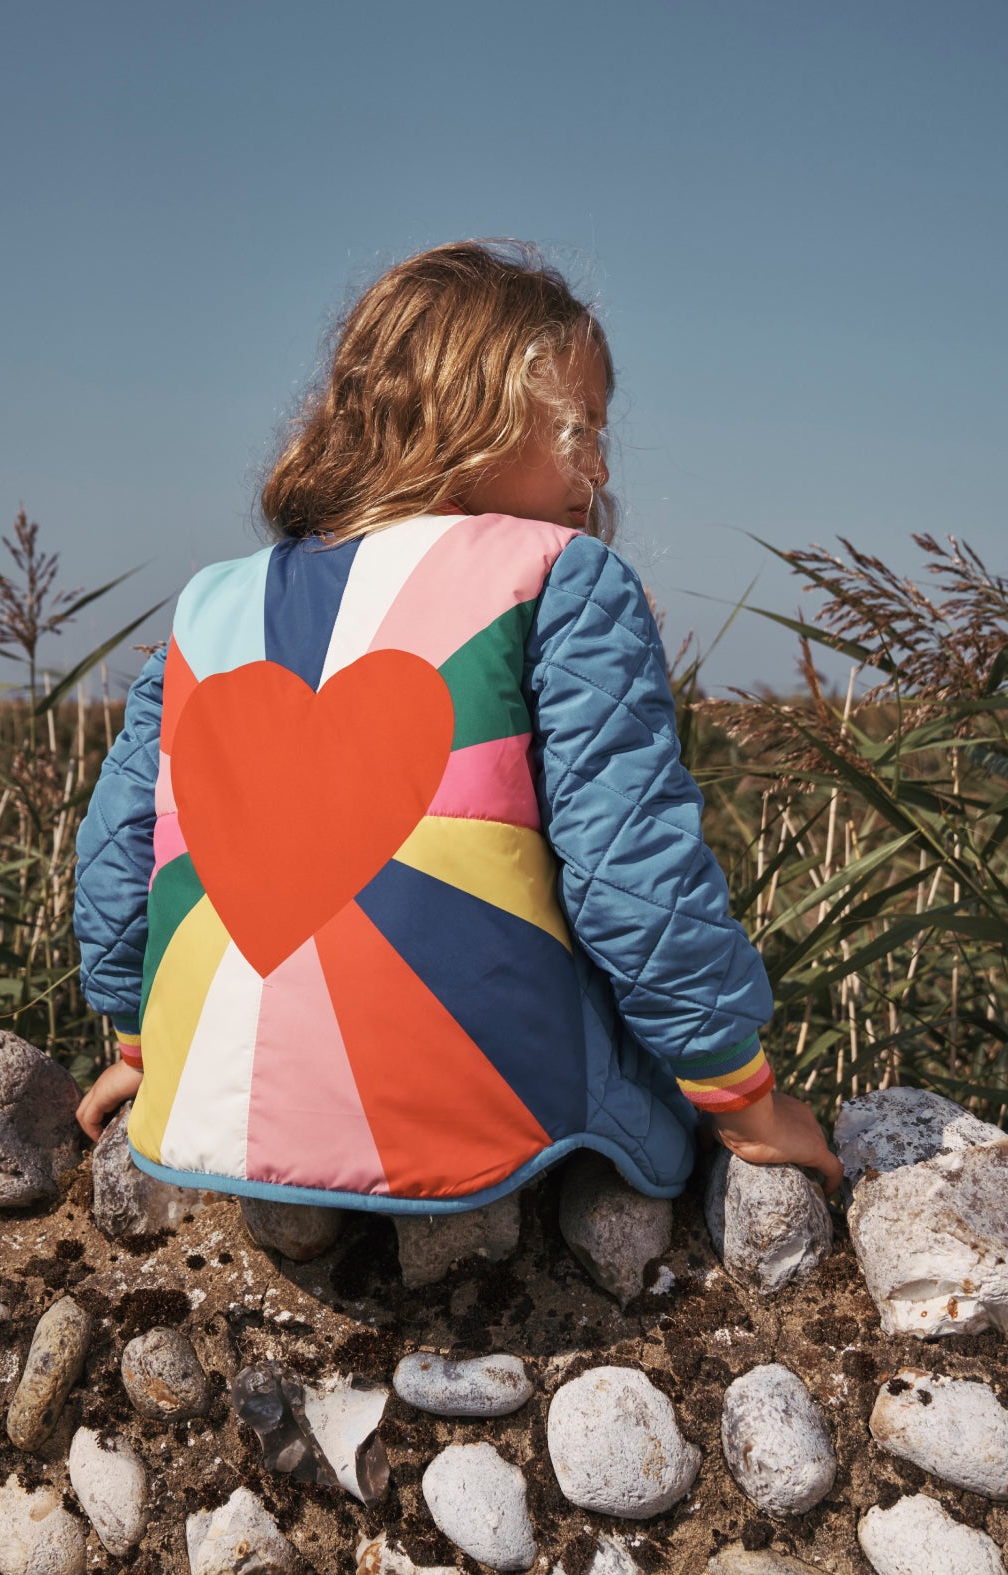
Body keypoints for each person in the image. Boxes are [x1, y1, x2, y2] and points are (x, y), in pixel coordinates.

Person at [72, 240, 842, 1211]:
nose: (598, 470)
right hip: (478, 1132)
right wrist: (743, 1100)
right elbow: (625, 871)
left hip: (207, 1114)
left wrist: (142, 1048)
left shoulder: (207, 606)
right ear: (478, 416)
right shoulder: (560, 575)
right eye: (582, 428)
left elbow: (117, 862)